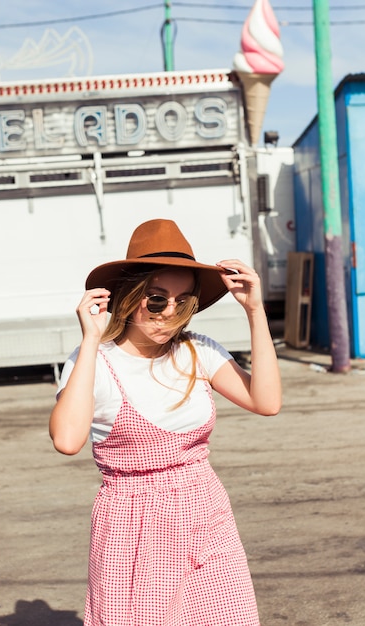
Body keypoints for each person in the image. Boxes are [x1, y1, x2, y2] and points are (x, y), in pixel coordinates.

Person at [49, 218, 281, 626]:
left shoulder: (198, 351)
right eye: (156, 299)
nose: (169, 313)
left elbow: (266, 402)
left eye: (183, 301)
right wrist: (89, 339)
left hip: (206, 511)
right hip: (133, 526)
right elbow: (67, 440)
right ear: (130, 296)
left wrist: (255, 311)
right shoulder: (95, 361)